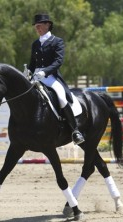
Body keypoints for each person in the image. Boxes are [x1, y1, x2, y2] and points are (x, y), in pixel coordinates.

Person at [28, 14, 84, 145]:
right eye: (36, 26)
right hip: (36, 77)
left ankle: (75, 131)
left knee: (61, 96)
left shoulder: (57, 41)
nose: (37, 28)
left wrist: (45, 71)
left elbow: (58, 61)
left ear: (48, 25)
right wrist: (28, 73)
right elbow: (31, 64)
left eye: (39, 25)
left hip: (51, 77)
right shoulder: (35, 44)